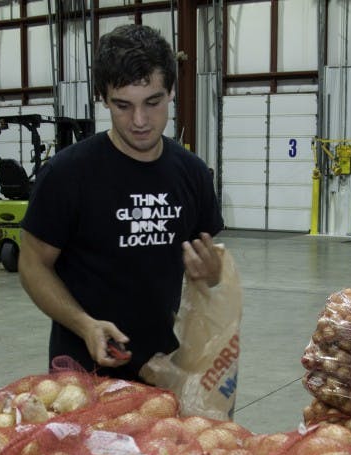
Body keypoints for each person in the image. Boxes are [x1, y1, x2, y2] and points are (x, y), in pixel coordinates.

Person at [18, 23, 224, 381]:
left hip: (162, 371)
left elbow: (209, 268)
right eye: (123, 105)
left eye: (153, 102)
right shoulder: (67, 174)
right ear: (103, 97)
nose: (140, 121)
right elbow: (33, 265)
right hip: (82, 375)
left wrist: (212, 274)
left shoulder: (193, 174)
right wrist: (84, 325)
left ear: (171, 91)